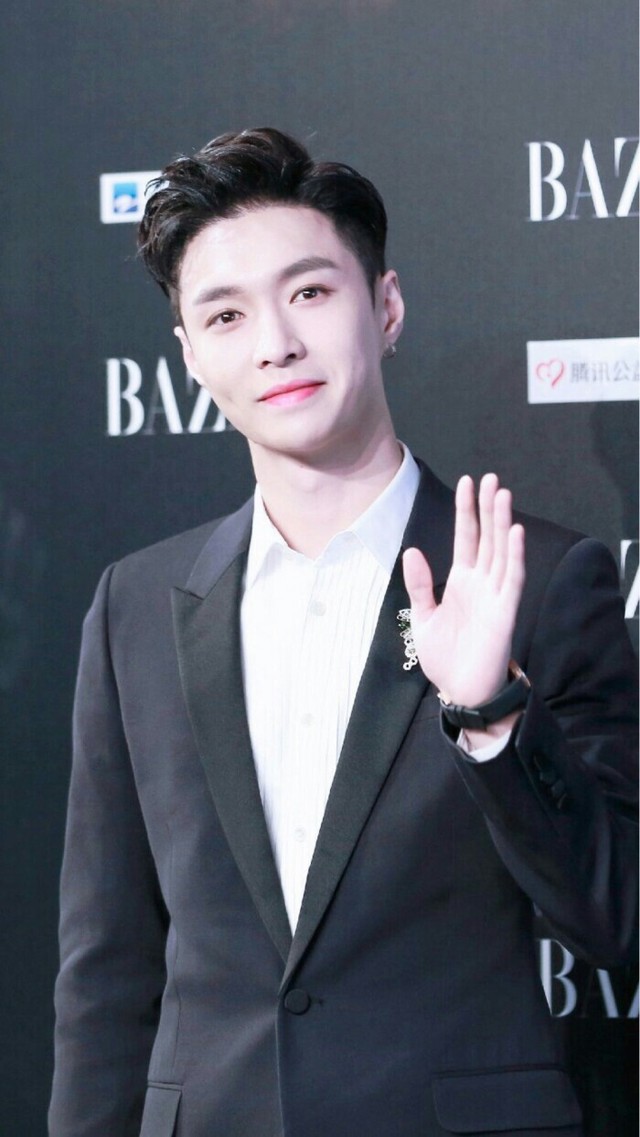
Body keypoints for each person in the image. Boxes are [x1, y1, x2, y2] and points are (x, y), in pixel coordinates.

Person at [49, 128, 638, 1137]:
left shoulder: (537, 581)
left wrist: (491, 716)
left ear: (387, 307)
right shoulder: (134, 606)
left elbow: (617, 914)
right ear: (190, 356)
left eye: (311, 292)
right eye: (226, 314)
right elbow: (106, 971)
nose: (274, 341)